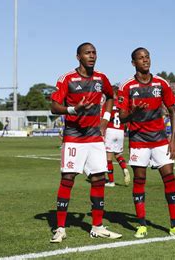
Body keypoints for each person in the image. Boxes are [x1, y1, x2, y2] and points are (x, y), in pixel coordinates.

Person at [49, 42, 122, 243]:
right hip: (74, 136)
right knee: (68, 179)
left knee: (99, 178)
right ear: (78, 56)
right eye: (87, 53)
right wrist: (73, 110)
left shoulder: (101, 78)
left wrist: (105, 119)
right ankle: (60, 228)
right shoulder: (67, 79)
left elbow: (110, 96)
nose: (92, 56)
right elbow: (55, 106)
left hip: (95, 137)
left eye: (94, 53)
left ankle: (97, 226)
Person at [119, 47, 175, 238]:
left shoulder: (161, 83)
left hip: (159, 139)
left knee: (169, 178)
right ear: (133, 63)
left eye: (147, 57)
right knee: (140, 180)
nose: (145, 60)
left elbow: (173, 111)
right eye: (141, 58)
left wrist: (173, 140)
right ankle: (141, 225)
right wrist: (134, 112)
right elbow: (122, 117)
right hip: (138, 141)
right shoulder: (126, 86)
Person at [103, 87, 131, 187]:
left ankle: (111, 181)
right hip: (120, 131)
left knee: (108, 158)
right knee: (118, 154)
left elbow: (104, 118)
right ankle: (124, 168)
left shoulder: (108, 103)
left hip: (110, 130)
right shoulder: (122, 104)